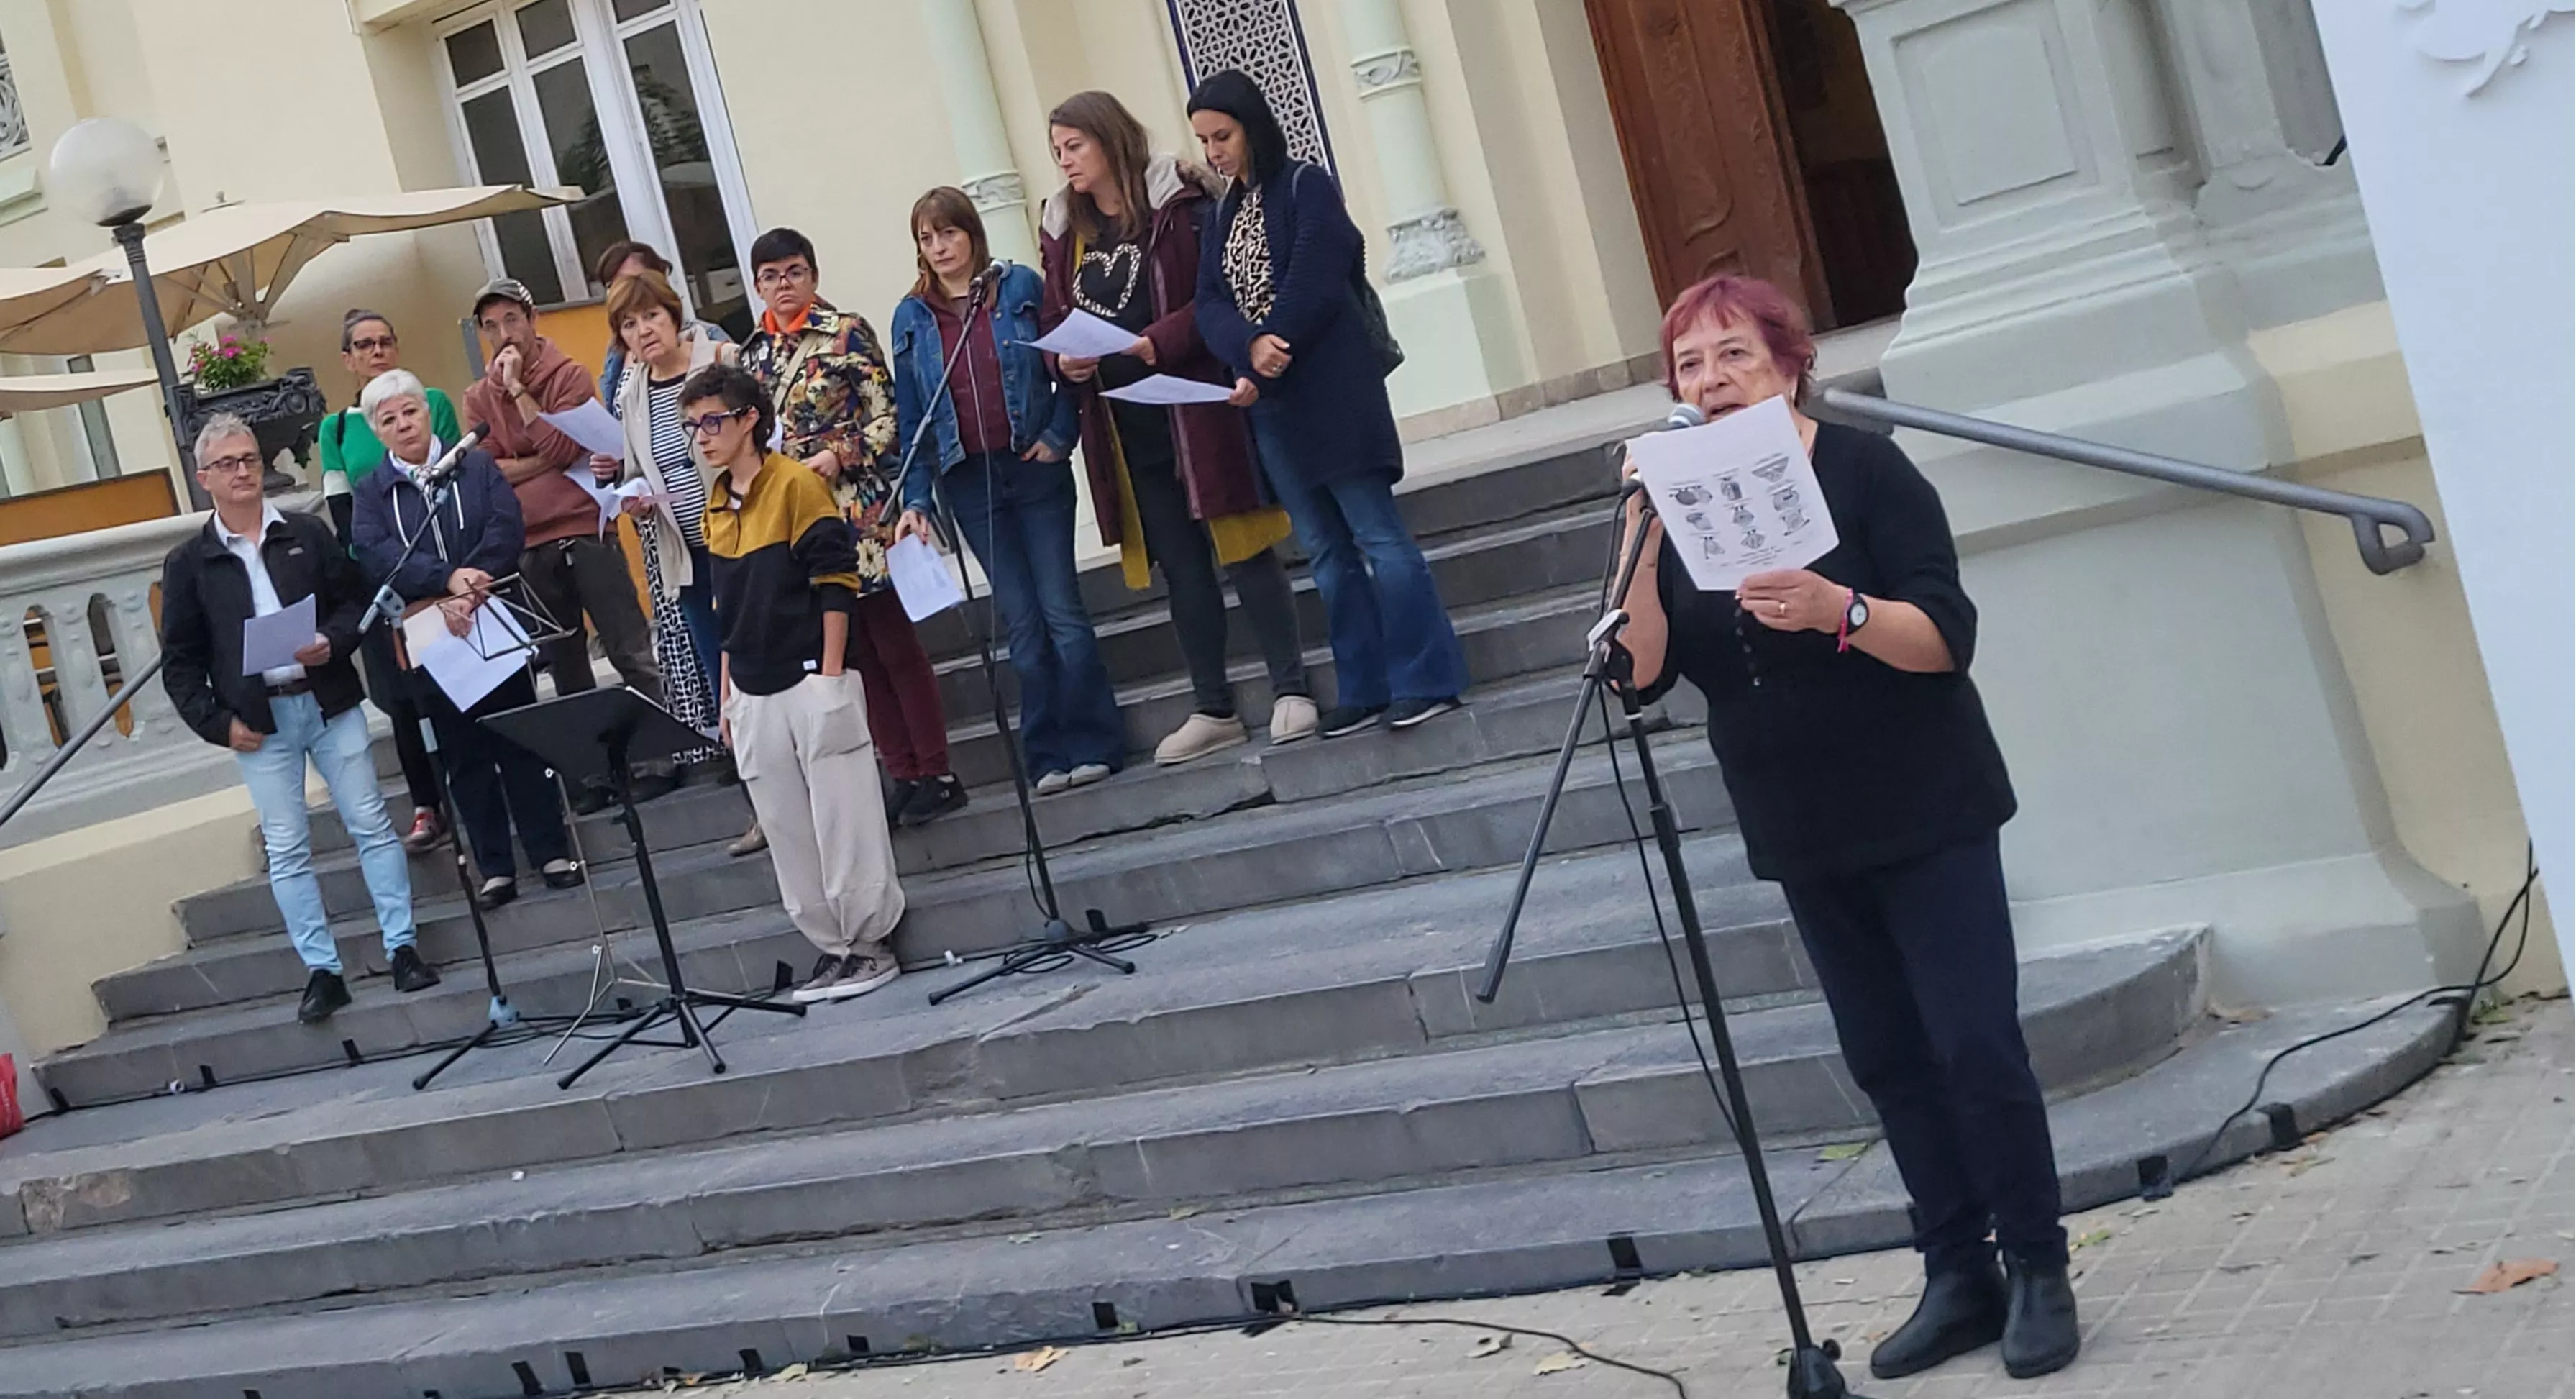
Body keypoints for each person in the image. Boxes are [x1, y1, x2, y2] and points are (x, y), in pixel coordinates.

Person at [1613, 275, 2079, 1382]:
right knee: (1885, 1058)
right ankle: (1956, 1271)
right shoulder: (1679, 509)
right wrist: (1638, 527)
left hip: (1926, 804)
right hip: (1801, 822)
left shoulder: (1867, 471)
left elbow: (1945, 636)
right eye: (1689, 364)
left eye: (1732, 355)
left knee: (1972, 1042)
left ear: (1789, 361)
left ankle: (2040, 1265)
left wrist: (1844, 612)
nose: (1710, 381)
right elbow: (1639, 672)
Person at [1041, 91, 1317, 764]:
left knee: (1242, 542)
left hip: (1195, 404)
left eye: (1074, 145)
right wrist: (1064, 359)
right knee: (1181, 566)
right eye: (1057, 151)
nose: (1065, 161)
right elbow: (1052, 318)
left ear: (1111, 140)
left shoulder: (1181, 204)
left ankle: (1291, 686)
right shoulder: (1063, 229)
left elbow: (1217, 297)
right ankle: (1213, 706)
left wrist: (1154, 341)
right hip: (1124, 423)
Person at [1188, 73, 1469, 736]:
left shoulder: (1305, 186)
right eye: (1203, 140)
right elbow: (1208, 303)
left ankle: (1426, 677)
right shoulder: (1224, 211)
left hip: (1333, 394)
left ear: (1252, 127)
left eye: (1222, 136)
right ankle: (1366, 684)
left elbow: (1318, 268)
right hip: (1273, 403)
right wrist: (1249, 346)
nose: (1213, 152)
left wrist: (1272, 343)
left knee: (1377, 535)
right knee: (1322, 548)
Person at [160, 413, 434, 1026]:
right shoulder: (191, 563)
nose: (243, 472)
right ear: (204, 477)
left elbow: (355, 600)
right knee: (286, 848)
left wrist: (331, 642)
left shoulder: (305, 533)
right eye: (228, 463)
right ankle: (323, 970)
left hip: (326, 698)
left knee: (369, 822)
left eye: (250, 459)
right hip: (259, 722)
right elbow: (179, 661)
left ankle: (403, 948)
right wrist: (218, 723)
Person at [688, 363, 905, 1004]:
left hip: (810, 674)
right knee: (785, 826)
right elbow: (726, 607)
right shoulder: (715, 501)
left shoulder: (795, 485)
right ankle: (832, 948)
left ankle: (870, 943)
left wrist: (832, 675)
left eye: (712, 422)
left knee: (845, 814)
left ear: (749, 419)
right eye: (692, 426)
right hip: (751, 687)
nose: (701, 436)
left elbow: (836, 582)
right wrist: (727, 693)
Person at [892, 188, 1121, 794]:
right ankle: (1046, 754)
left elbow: (1066, 364)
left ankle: (1095, 740)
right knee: (1019, 618)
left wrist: (1058, 434)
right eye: (926, 238)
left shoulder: (1018, 286)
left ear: (972, 234)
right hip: (969, 479)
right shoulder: (912, 316)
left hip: (1034, 466)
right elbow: (912, 415)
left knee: (1061, 611)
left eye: (949, 233)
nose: (939, 248)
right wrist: (915, 499)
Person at [739, 227, 965, 826]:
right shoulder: (751, 356)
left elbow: (891, 418)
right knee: (853, 651)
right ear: (756, 284)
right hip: (801, 526)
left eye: (793, 272)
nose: (783, 285)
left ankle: (936, 768)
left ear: (813, 275)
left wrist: (840, 453)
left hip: (860, 513)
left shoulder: (845, 332)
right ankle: (901, 771)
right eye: (770, 276)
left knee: (894, 641)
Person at [352, 370, 585, 910]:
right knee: (463, 754)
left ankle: (549, 850)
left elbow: (505, 526)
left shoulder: (474, 465)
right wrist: (443, 581)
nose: (403, 424)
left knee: (521, 738)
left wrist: (472, 581)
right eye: (389, 420)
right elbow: (377, 552)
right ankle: (495, 867)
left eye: (409, 411)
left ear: (426, 410)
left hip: (490, 612)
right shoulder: (372, 492)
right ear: (377, 432)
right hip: (432, 633)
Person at [462, 276, 675, 809]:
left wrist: (517, 392)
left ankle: (659, 758)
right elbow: (484, 469)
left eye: (511, 320)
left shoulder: (569, 374)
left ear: (532, 320)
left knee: (629, 649)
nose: (502, 334)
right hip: (528, 544)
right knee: (566, 666)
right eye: (490, 326)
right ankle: (593, 774)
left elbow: (562, 443)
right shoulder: (474, 397)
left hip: (586, 528)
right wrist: (539, 458)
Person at [598, 270, 767, 860]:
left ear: (675, 317)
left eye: (651, 317)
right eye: (628, 324)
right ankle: (761, 809)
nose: (643, 331)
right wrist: (635, 496)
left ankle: (800, 793)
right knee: (721, 679)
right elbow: (637, 466)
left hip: (746, 542)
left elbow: (763, 445)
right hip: (685, 554)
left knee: (763, 666)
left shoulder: (720, 360)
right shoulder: (630, 391)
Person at [317, 308, 460, 852]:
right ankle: (427, 804)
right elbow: (341, 507)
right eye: (363, 344)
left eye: (384, 341)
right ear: (348, 359)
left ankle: (475, 785)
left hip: (437, 569)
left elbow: (449, 475)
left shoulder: (435, 403)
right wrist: (380, 563)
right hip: (377, 581)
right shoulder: (337, 429)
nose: (376, 351)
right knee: (399, 698)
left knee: (455, 686)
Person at [593, 240, 731, 404]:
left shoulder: (710, 338)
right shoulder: (616, 351)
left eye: (631, 280)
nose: (625, 291)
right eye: (612, 286)